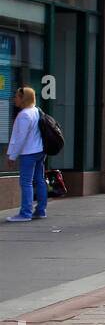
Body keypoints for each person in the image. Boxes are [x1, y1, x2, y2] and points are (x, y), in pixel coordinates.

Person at [4, 86, 47, 223]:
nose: (14, 98)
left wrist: (12, 156)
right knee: (39, 180)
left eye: (17, 96)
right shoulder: (36, 111)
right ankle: (41, 210)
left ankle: (25, 213)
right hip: (40, 151)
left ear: (24, 98)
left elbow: (20, 138)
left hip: (29, 152)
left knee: (26, 183)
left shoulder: (24, 115)